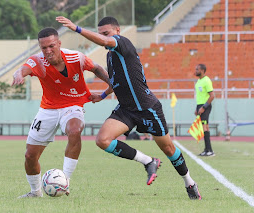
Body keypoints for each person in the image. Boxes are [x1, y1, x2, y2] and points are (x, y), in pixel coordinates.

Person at [56, 16, 202, 200]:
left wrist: (77, 28)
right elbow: (115, 80)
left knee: (169, 149)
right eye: (101, 33)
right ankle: (149, 162)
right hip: (126, 109)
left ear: (117, 31)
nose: (103, 38)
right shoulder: (110, 56)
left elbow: (104, 41)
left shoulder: (122, 42)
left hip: (147, 108)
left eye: (106, 33)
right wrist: (102, 95)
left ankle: (189, 182)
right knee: (102, 140)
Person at [12, 27, 110, 198]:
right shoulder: (38, 61)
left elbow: (96, 68)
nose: (48, 51)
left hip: (73, 105)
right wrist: (18, 74)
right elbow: (22, 69)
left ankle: (65, 182)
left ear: (59, 43)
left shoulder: (75, 57)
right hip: (48, 109)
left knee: (74, 130)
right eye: (44, 48)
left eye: (51, 46)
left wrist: (111, 87)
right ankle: (35, 192)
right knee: (30, 155)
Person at [194, 64, 215, 156]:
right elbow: (199, 97)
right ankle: (207, 149)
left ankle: (209, 150)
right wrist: (197, 108)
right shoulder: (198, 82)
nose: (195, 71)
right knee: (203, 127)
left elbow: (212, 96)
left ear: (202, 70)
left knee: (205, 127)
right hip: (200, 106)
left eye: (197, 69)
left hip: (205, 107)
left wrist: (203, 107)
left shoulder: (207, 80)